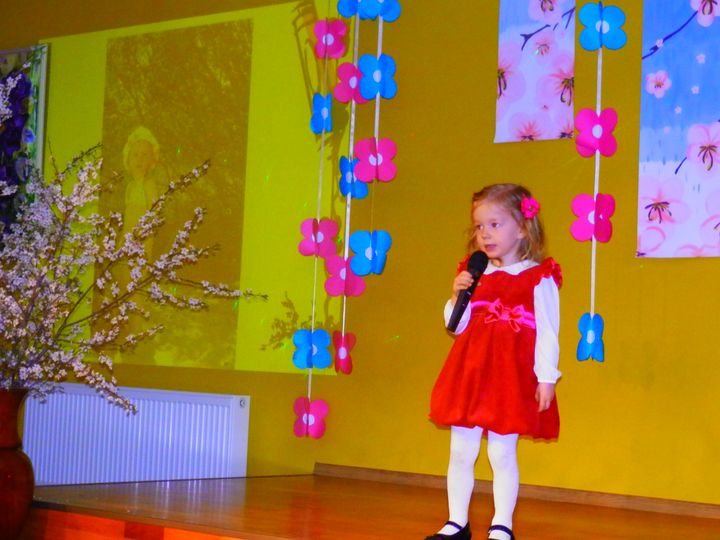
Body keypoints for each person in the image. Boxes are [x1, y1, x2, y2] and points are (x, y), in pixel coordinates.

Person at [426, 184, 562, 540]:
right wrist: (456, 294)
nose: (484, 233)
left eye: (495, 224)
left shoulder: (539, 277)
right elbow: (455, 325)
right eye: (479, 226)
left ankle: (502, 524)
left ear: (522, 228)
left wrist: (546, 378)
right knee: (461, 450)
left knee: (502, 453)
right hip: (470, 373)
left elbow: (548, 332)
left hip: (509, 377)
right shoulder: (475, 273)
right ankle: (457, 521)